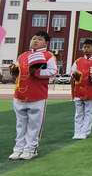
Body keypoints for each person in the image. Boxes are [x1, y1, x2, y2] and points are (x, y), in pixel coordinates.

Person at [8, 31, 58, 160]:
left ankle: (30, 149)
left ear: (46, 43)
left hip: (37, 95)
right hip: (20, 94)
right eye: (34, 38)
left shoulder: (48, 56)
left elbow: (53, 71)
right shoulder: (23, 56)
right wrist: (14, 71)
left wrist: (37, 72)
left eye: (39, 39)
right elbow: (19, 72)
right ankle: (18, 148)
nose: (35, 41)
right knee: (20, 124)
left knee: (34, 125)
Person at [70, 38, 92, 139]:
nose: (86, 49)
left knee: (89, 112)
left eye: (88, 47)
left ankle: (85, 131)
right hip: (78, 91)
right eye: (84, 47)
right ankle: (77, 131)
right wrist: (74, 75)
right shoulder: (78, 61)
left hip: (90, 90)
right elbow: (72, 72)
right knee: (78, 113)